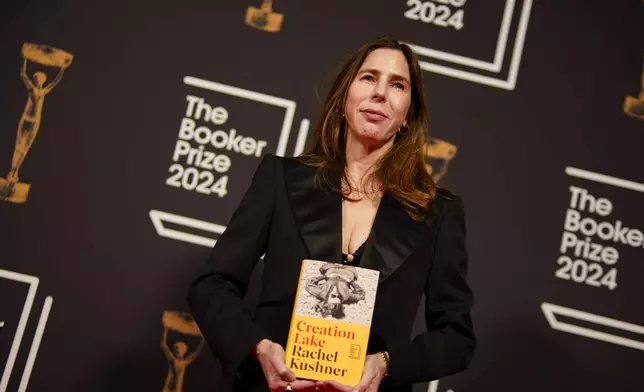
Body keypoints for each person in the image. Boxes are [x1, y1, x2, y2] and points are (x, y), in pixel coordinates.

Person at [187, 37, 476, 392]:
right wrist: (258, 348)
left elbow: (456, 336)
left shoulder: (437, 212)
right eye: (369, 78)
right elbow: (212, 285)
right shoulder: (282, 180)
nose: (380, 93)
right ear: (344, 98)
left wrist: (385, 364)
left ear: (407, 116)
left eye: (397, 84)